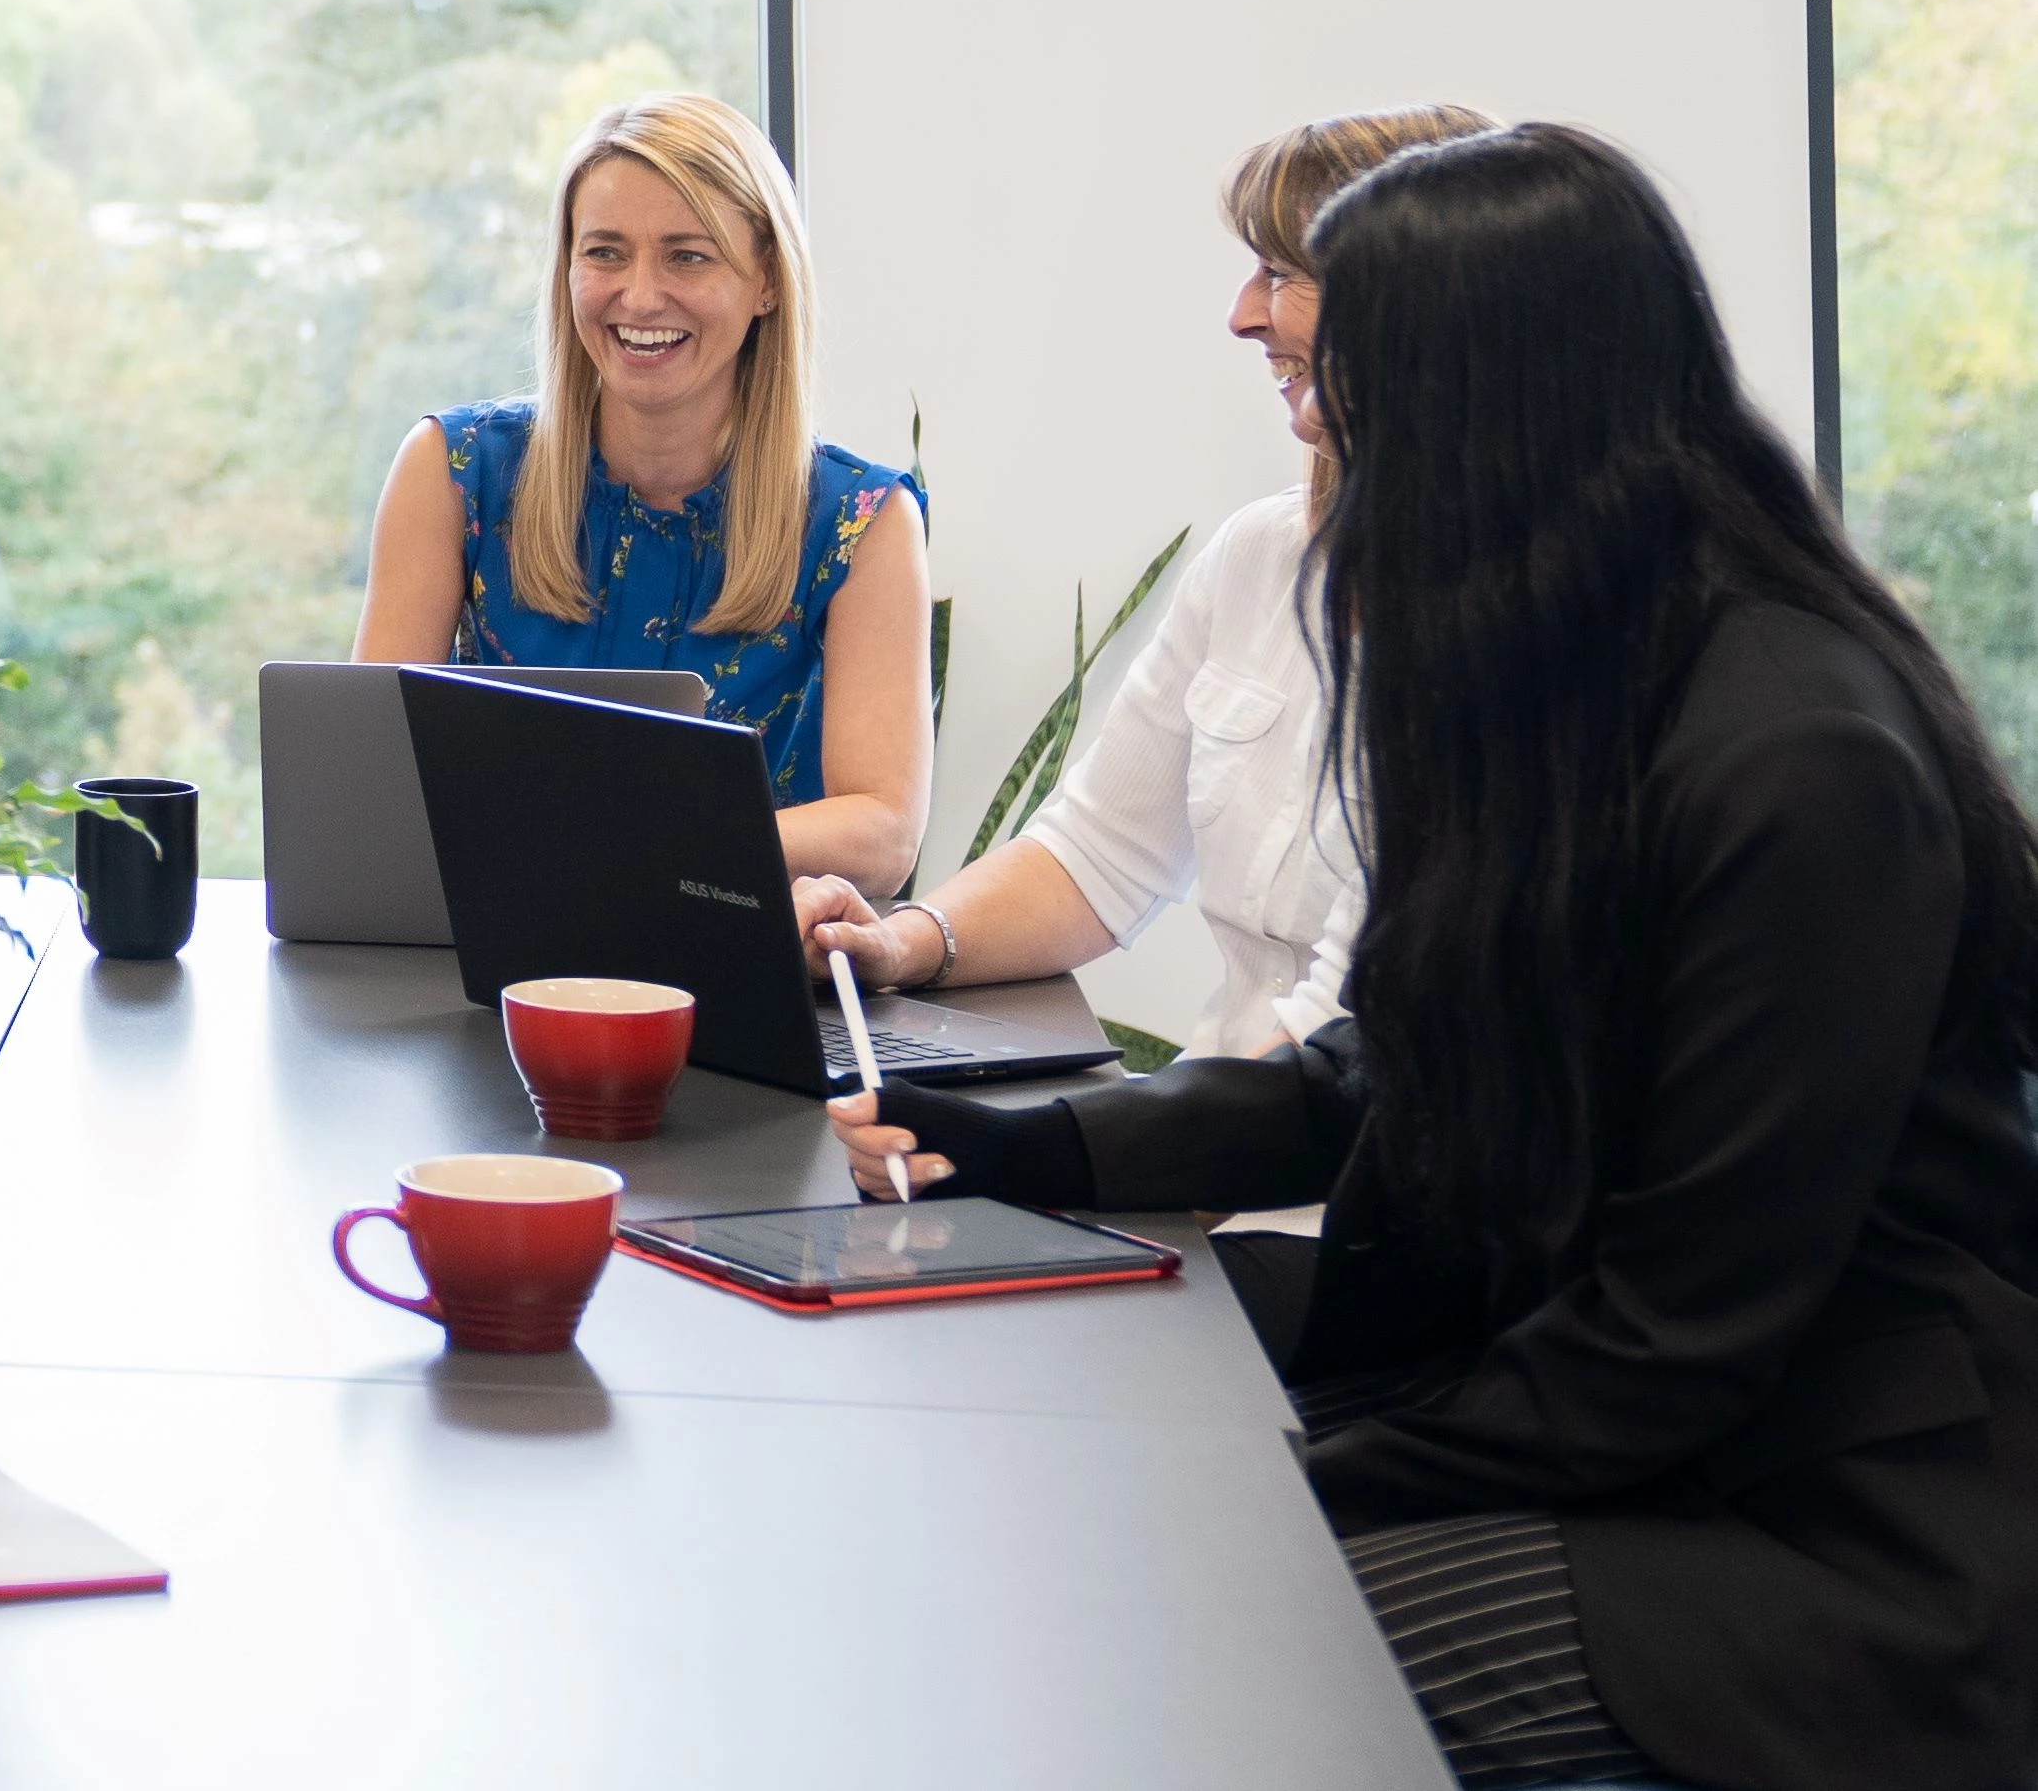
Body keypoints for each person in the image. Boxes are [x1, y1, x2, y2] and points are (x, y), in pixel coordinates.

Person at [836, 126, 2038, 1791]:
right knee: (1052, 1489)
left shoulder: (1800, 764)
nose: (1321, 447)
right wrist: (1018, 1150)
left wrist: (1271, 1487)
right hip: (1623, 1419)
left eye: (1347, 403)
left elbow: (1671, 1345)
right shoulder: (1577, 676)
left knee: (1179, 1646)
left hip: (1827, 1533)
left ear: (1484, 421)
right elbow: (1377, 1068)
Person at [802, 103, 1487, 1057]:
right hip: (1223, 1157)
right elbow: (1099, 854)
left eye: (1282, 272)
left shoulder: (1529, 625)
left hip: (1339, 1171)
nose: (1241, 313)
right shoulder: (1256, 558)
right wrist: (900, 942)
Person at [352, 89, 930, 888]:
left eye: (687, 255)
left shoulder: (862, 521)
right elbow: (365, 782)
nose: (640, 295)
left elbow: (882, 832)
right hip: (478, 959)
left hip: (733, 962)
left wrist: (625, 831)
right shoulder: (451, 472)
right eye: (604, 252)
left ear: (765, 279)